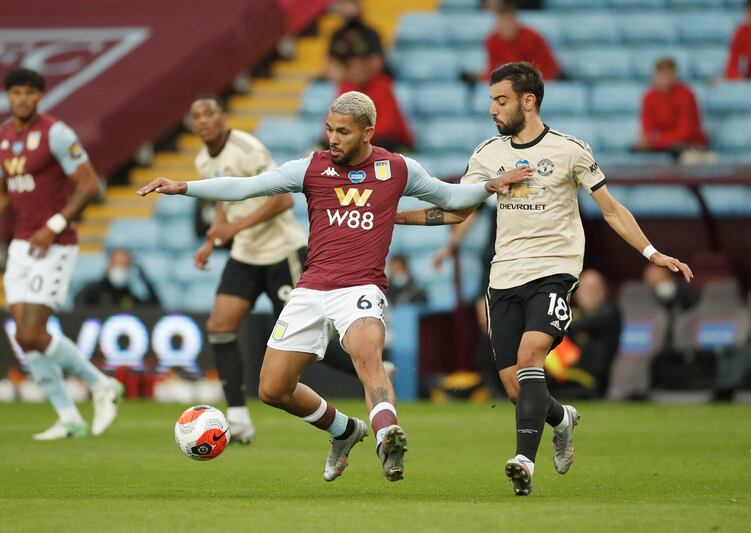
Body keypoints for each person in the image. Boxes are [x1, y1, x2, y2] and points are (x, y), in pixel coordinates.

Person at [138, 91, 531, 483]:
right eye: (329, 129)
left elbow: (451, 198)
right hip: (309, 289)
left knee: (367, 357)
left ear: (368, 132)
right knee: (272, 389)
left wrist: (491, 184)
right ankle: (343, 431)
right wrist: (183, 186)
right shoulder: (311, 167)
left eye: (343, 131)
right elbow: (248, 186)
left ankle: (386, 437)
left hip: (360, 288)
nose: (333, 138)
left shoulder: (396, 169)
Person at [395, 61, 693, 496]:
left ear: (528, 101)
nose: (493, 109)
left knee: (533, 352)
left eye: (501, 100)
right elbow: (459, 211)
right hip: (504, 275)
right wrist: (395, 217)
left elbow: (610, 209)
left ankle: (523, 462)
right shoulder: (486, 155)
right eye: (492, 101)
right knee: (516, 387)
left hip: (554, 270)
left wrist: (652, 252)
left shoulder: (570, 150)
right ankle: (561, 419)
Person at [0, 68, 121, 440]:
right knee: (23, 336)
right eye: (16, 92)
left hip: (55, 243)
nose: (22, 99)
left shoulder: (56, 133)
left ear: (39, 96)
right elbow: (6, 190)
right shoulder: (3, 136)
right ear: (9, 95)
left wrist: (52, 226)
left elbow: (89, 185)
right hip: (21, 245)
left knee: (33, 332)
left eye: (29, 93)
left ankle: (101, 384)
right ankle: (69, 417)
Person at [189, 94, 308, 444]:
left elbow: (283, 198)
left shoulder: (247, 148)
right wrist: (213, 240)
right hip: (245, 254)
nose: (203, 120)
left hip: (281, 251)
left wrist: (233, 230)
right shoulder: (201, 160)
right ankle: (238, 418)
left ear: (223, 116)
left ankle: (372, 368)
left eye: (209, 112)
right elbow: (227, 201)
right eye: (196, 116)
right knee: (219, 326)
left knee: (304, 338)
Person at [338, 53, 414, 152]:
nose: (358, 70)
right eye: (353, 66)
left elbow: (386, 126)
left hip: (393, 142)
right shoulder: (345, 87)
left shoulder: (382, 86)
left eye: (362, 65)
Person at [635, 58, 708, 157]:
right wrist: (647, 141)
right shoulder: (649, 97)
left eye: (667, 76)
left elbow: (686, 132)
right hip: (663, 146)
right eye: (661, 76)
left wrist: (656, 141)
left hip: (689, 145)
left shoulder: (686, 95)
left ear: (674, 77)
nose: (664, 80)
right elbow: (647, 130)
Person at [568, 269, 621, 398]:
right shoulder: (574, 313)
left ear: (604, 291)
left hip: (592, 384)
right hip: (568, 375)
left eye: (593, 289)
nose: (589, 294)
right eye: (585, 289)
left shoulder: (610, 312)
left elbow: (565, 326)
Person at [484, 0, 560, 80]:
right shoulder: (492, 40)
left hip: (540, 80)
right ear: (497, 24)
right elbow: (492, 70)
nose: (506, 27)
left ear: (516, 22)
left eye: (509, 23)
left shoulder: (532, 37)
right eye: (502, 23)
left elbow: (546, 69)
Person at [74, 248, 160, 310]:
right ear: (109, 265)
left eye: (124, 265)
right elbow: (78, 308)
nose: (120, 268)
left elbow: (154, 308)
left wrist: (144, 278)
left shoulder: (129, 296)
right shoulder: (92, 290)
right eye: (117, 264)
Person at [327, 0, 383, 84]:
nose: (348, 8)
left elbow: (376, 62)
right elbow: (330, 62)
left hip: (369, 82)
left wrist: (361, 74)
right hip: (345, 81)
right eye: (345, 5)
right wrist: (343, 75)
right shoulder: (336, 35)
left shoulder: (370, 33)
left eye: (351, 4)